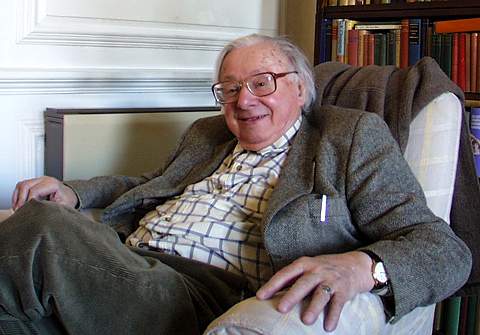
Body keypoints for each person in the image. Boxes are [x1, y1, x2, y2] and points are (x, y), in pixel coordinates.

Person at [1, 34, 472, 335]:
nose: (242, 100)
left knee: (41, 226)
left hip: (201, 292)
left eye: (262, 82)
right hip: (126, 262)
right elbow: (152, 183)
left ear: (301, 88)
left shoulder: (346, 137)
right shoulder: (209, 134)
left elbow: (443, 249)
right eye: (229, 89)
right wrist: (76, 193)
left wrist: (365, 267)